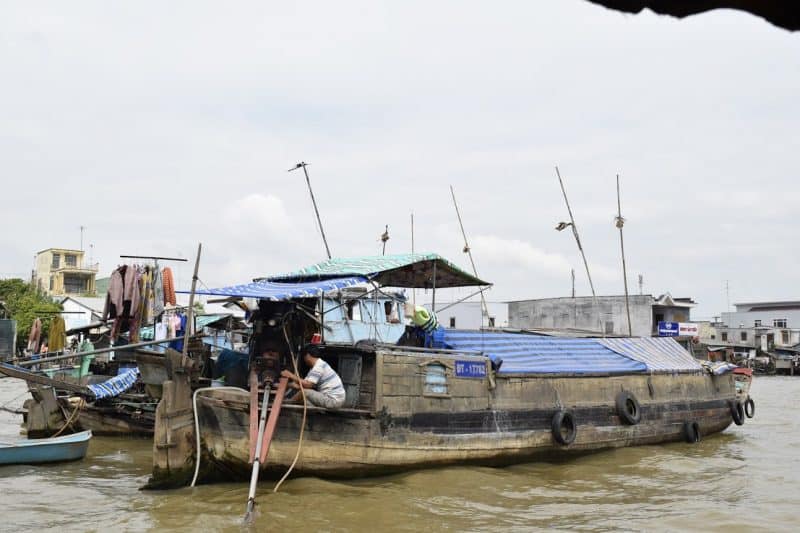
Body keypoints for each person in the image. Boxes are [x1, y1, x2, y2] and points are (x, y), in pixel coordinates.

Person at [280, 345, 346, 409]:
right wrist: (286, 385)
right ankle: (317, 412)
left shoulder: (319, 366)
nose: (304, 360)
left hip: (333, 400)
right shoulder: (315, 367)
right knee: (302, 399)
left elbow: (308, 385)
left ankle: (288, 403)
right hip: (331, 399)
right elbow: (302, 385)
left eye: (304, 357)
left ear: (308, 355)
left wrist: (291, 375)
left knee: (305, 392)